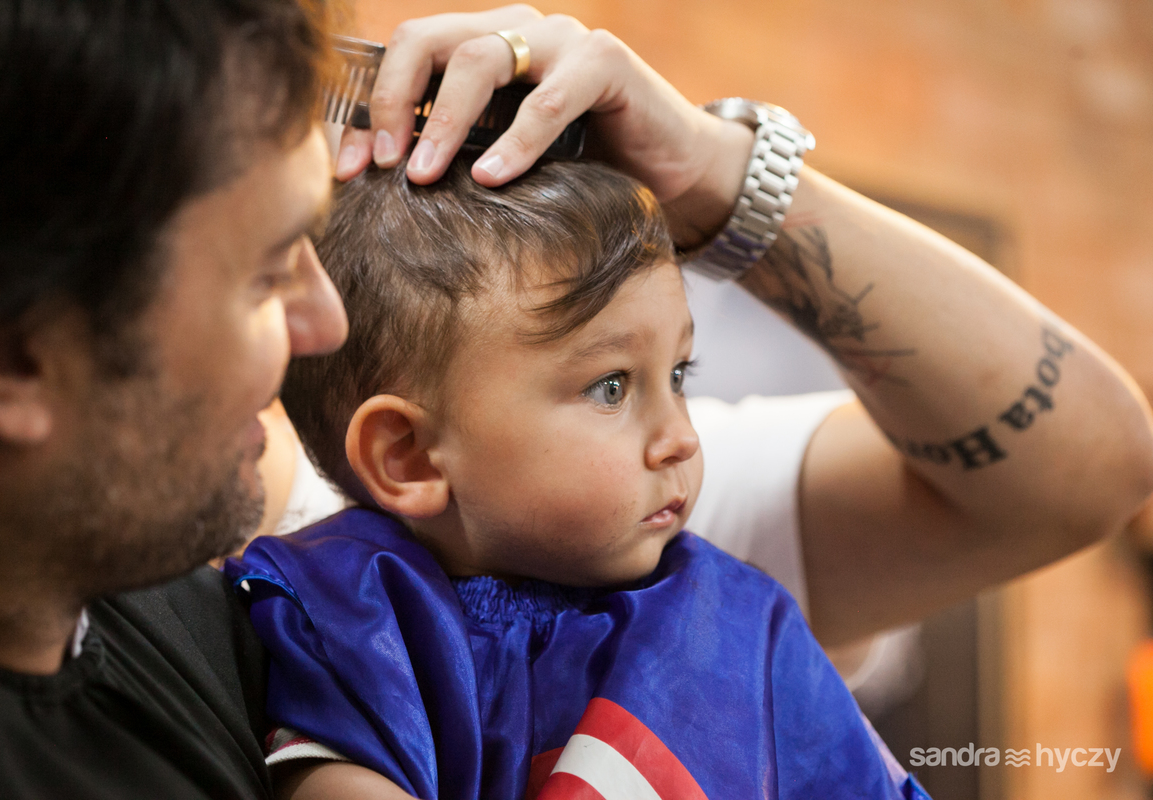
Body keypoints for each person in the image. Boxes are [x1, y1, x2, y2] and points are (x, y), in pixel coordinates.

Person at [0, 1, 1151, 796]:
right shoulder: (372, 580)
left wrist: (713, 175)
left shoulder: (608, 535)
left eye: (673, 374)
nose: (318, 323)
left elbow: (1084, 468)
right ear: (12, 362)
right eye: (266, 271)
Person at [227, 156, 931, 799]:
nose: (682, 438)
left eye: (679, 374)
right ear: (408, 455)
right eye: (611, 387)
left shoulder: (735, 627)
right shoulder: (348, 617)